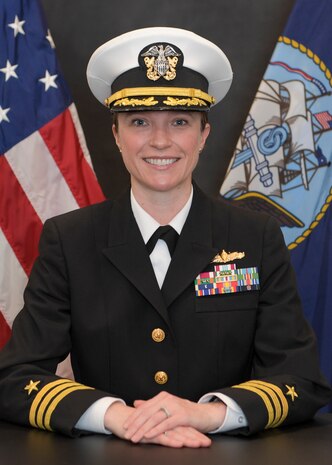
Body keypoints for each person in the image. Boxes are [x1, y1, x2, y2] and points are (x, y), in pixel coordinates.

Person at [0, 27, 330, 448]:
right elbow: (14, 377)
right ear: (116, 135)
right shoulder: (70, 240)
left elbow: (302, 380)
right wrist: (112, 415)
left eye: (179, 122)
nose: (160, 141)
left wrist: (208, 413)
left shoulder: (255, 237)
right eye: (139, 122)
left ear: (204, 134)